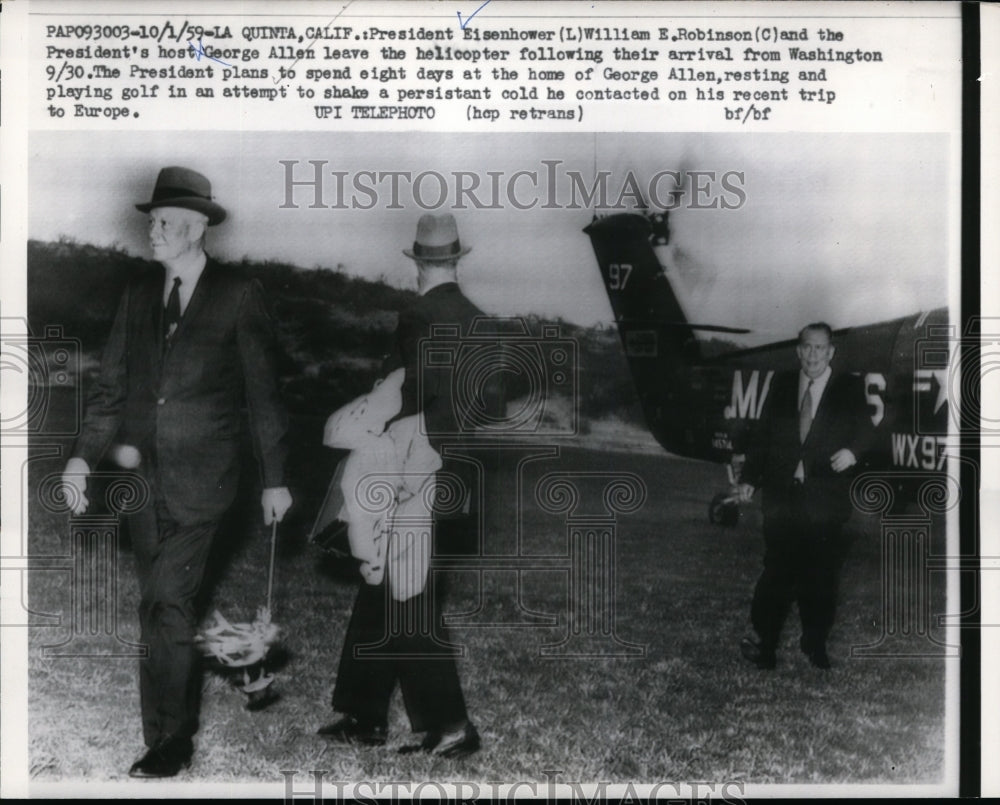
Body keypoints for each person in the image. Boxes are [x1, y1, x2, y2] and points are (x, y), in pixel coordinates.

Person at [60, 166, 293, 777]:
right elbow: (110, 388)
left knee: (168, 598)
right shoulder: (138, 296)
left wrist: (275, 479)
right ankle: (160, 732)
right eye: (152, 222)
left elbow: (263, 393)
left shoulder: (239, 294)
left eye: (164, 223)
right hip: (143, 486)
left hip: (207, 481)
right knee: (157, 609)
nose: (153, 232)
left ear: (195, 230)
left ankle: (174, 742)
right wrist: (83, 458)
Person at [316, 213, 483, 758]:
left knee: (407, 600)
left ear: (417, 264)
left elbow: (394, 401)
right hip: (449, 475)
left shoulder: (416, 318)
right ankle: (363, 713)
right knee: (382, 590)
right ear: (457, 259)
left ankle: (452, 724)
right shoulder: (480, 323)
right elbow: (485, 406)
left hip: (410, 475)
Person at [736, 322, 873, 670]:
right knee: (776, 572)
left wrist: (853, 453)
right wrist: (750, 478)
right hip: (782, 499)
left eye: (820, 349)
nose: (812, 355)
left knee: (821, 577)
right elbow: (763, 435)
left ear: (831, 352)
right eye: (807, 348)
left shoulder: (850, 388)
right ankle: (764, 645)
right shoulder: (781, 385)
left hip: (825, 503)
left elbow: (868, 431)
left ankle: (814, 643)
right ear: (798, 351)